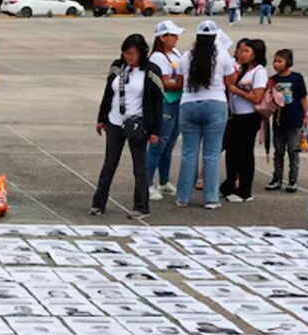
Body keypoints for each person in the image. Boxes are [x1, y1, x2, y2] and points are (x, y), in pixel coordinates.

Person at [91, 33, 162, 217]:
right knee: (109, 164)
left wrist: (155, 130)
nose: (128, 57)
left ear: (141, 53)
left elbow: (157, 103)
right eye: (125, 53)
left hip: (137, 124)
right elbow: (108, 93)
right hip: (115, 122)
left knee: (139, 167)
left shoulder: (151, 71)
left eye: (132, 53)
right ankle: (98, 203)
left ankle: (141, 206)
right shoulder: (117, 67)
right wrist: (102, 118)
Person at [175, 20, 236, 209]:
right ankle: (210, 198)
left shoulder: (187, 56)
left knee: (189, 153)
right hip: (215, 104)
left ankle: (183, 197)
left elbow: (179, 81)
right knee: (211, 154)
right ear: (215, 36)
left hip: (189, 104)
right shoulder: (223, 55)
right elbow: (231, 80)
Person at [221, 37, 268, 203]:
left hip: (248, 117)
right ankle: (229, 185)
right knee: (232, 152)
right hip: (236, 116)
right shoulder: (243, 70)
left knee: (245, 153)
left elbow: (257, 97)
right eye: (242, 51)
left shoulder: (259, 72)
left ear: (255, 54)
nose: (242, 54)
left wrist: (237, 91)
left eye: (247, 51)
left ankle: (244, 190)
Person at [146, 20, 184, 201]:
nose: (176, 38)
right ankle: (146, 183)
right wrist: (183, 83)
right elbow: (163, 82)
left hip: (177, 102)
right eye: (173, 35)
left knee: (169, 144)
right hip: (165, 103)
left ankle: (164, 180)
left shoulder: (175, 53)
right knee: (158, 145)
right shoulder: (158, 57)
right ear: (162, 37)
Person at [266, 48, 307, 193]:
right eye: (275, 61)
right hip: (279, 121)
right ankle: (277, 178)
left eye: (280, 61)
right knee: (278, 151)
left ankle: (292, 180)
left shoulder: (297, 78)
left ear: (288, 62)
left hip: (294, 120)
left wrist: (306, 115)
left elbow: (302, 97)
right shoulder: (273, 80)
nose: (276, 64)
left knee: (293, 151)